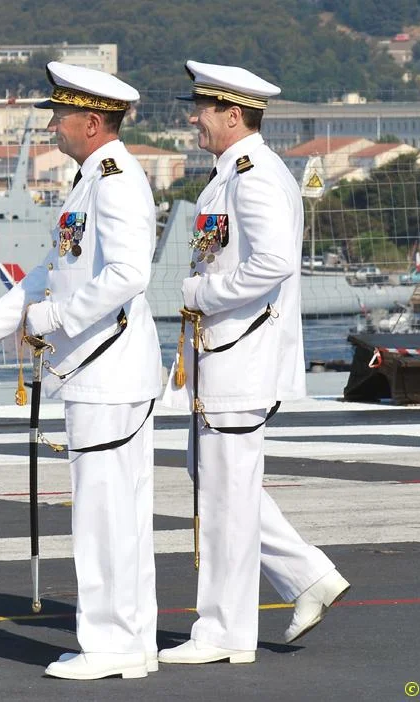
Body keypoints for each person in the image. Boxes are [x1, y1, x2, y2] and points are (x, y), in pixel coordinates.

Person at [0, 62, 162, 681]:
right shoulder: (89, 181)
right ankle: (129, 641)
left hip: (109, 370)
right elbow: (49, 271)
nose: (52, 126)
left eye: (60, 115)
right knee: (112, 513)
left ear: (91, 122)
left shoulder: (116, 180)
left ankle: (109, 646)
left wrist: (51, 320)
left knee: (104, 516)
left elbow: (128, 275)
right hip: (99, 370)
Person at [159, 60, 350, 666]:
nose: (195, 120)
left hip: (239, 356)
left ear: (232, 114)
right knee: (219, 483)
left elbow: (272, 263)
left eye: (203, 110)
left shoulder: (256, 176)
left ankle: (223, 632)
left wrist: (203, 296)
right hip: (221, 355)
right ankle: (307, 575)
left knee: (224, 497)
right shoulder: (227, 177)